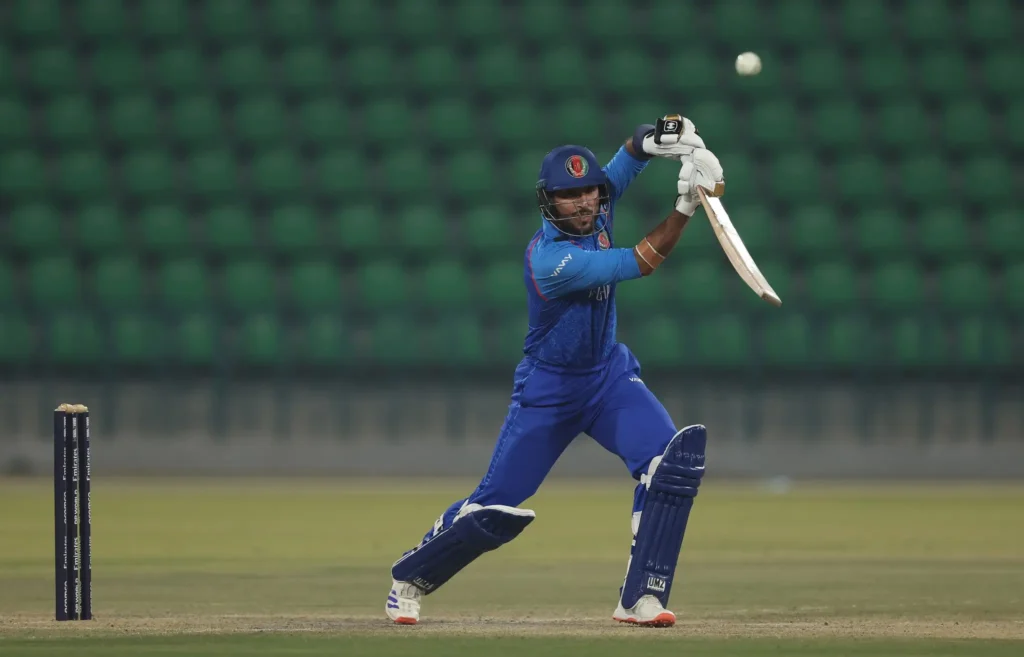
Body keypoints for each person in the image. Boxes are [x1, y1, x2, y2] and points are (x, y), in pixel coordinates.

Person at [386, 115, 724, 627]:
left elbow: (630, 154)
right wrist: (686, 205)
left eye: (591, 192)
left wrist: (662, 136)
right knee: (493, 508)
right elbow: (642, 261)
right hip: (550, 389)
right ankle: (409, 577)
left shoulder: (597, 207)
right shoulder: (551, 260)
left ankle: (640, 598)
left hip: (608, 377)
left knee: (668, 467)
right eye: (571, 196)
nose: (586, 202)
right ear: (549, 202)